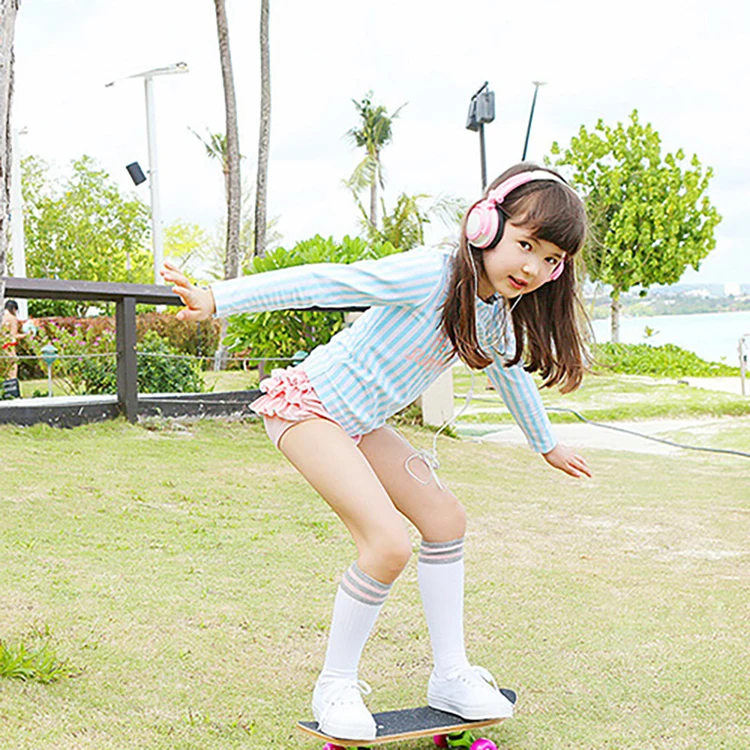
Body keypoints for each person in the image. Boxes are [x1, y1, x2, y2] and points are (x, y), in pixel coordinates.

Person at [162, 163, 593, 741]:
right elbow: (325, 282)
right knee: (387, 544)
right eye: (526, 245)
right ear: (484, 226)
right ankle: (335, 685)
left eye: (551, 259)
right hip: (308, 407)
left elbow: (510, 375)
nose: (534, 268)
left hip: (360, 423)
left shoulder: (495, 312)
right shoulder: (429, 274)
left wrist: (548, 445)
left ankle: (450, 675)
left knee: (446, 520)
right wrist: (218, 298)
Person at [1, 299, 27, 382]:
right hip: (9, 347)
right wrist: (26, 335)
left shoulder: (2, 316)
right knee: (12, 369)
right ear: (14, 308)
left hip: (2, 345)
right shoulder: (12, 318)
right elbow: (14, 335)